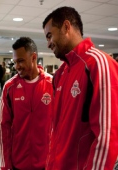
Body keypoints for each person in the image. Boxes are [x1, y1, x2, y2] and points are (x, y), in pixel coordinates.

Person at [42, 6, 118, 170]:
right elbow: (57, 130)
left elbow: (106, 136)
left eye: (49, 36)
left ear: (66, 27)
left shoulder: (98, 64)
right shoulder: (61, 74)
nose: (48, 44)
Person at [0, 37, 53, 170]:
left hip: (47, 163)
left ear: (34, 57)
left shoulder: (53, 84)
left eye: (21, 61)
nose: (17, 66)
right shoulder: (10, 87)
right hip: (19, 163)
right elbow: (4, 128)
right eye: (15, 62)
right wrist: (6, 165)